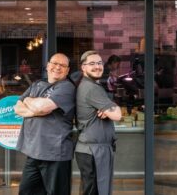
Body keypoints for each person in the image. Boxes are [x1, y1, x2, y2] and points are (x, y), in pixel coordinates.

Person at [14, 53, 75, 195]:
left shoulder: (66, 87)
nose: (57, 67)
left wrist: (28, 101)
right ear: (48, 66)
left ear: (67, 70)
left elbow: (43, 107)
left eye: (62, 65)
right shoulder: (37, 84)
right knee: (26, 191)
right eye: (55, 63)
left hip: (55, 154)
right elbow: (17, 107)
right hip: (34, 151)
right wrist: (34, 109)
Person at [75, 50, 122, 195]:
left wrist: (107, 107)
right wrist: (111, 107)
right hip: (93, 151)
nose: (97, 66)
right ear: (83, 67)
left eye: (99, 63)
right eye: (92, 63)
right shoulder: (91, 88)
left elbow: (111, 112)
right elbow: (117, 115)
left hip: (92, 149)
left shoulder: (90, 85)